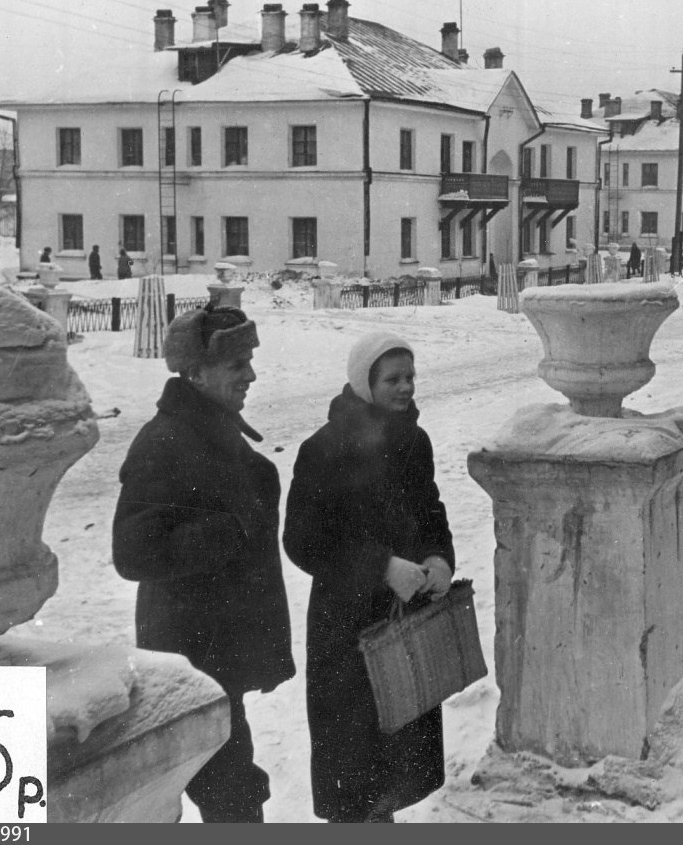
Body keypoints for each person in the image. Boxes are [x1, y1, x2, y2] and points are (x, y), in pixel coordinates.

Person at [112, 304, 294, 823]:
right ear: (196, 373)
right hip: (191, 660)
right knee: (231, 794)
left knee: (232, 791)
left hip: (218, 656)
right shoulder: (163, 441)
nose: (250, 375)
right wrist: (226, 532)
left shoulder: (213, 430)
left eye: (249, 361)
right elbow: (132, 552)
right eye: (237, 364)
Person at [284, 333, 455, 823]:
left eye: (410, 376)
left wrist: (438, 558)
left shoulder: (414, 441)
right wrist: (382, 567)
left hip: (405, 617)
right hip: (348, 628)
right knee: (355, 768)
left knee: (397, 762)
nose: (405, 387)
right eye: (392, 379)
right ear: (365, 383)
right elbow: (302, 541)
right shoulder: (323, 449)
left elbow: (430, 511)